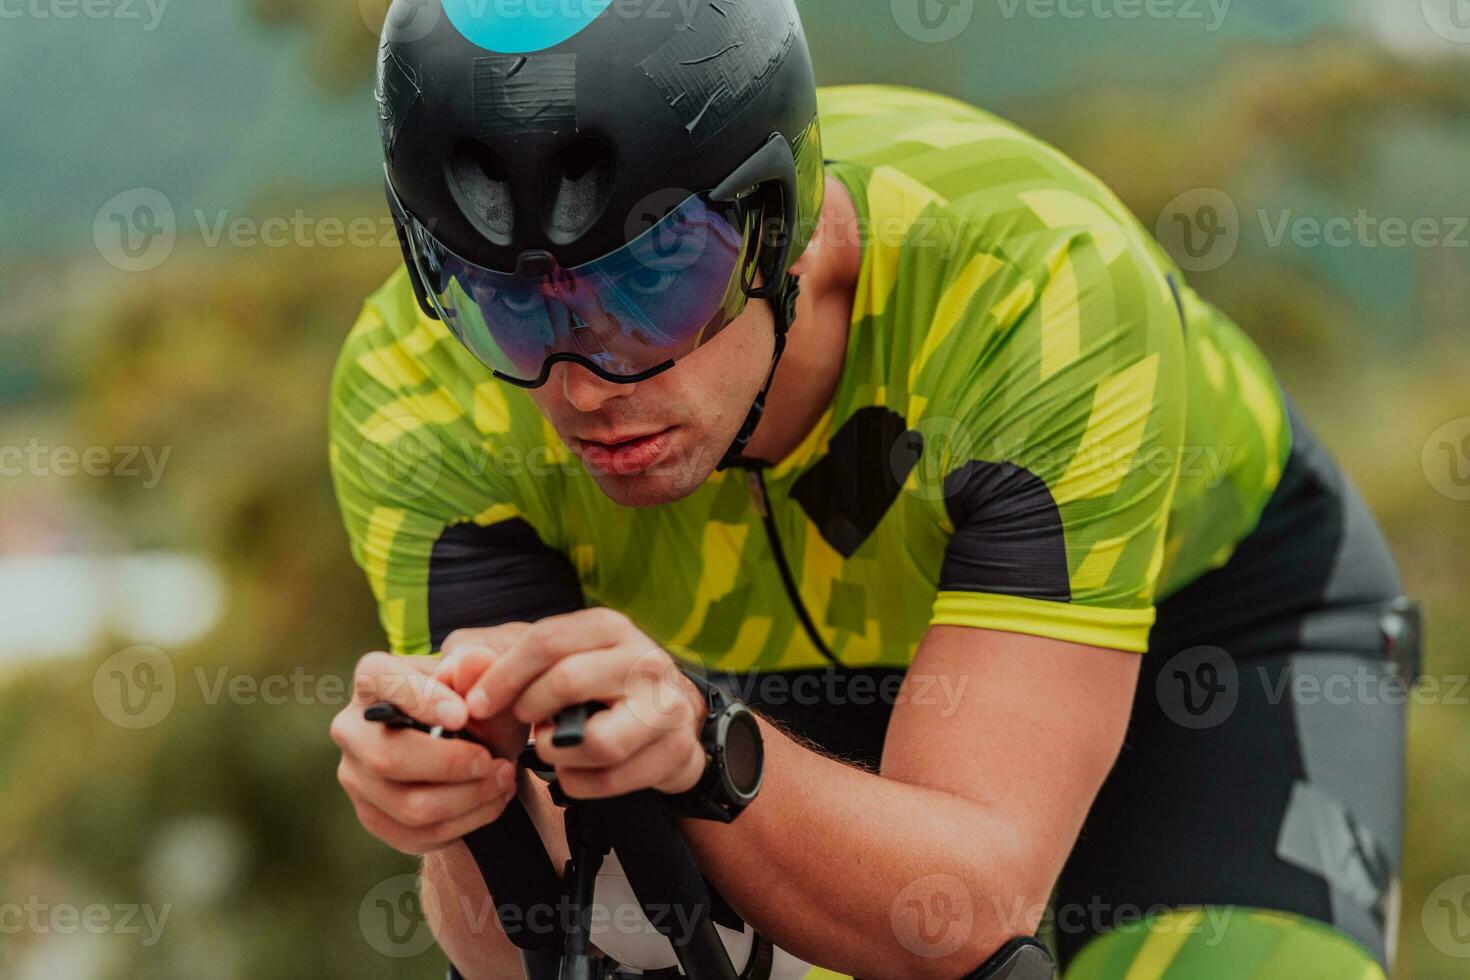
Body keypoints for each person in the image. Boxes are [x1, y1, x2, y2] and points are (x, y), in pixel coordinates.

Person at [328, 2, 1415, 977]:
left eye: (652, 286)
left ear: (779, 226)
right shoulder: (413, 387)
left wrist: (707, 750)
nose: (582, 386)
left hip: (1208, 638)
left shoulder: (1035, 288)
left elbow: (973, 903)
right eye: (508, 307)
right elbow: (544, 940)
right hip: (739, 696)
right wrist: (456, 810)